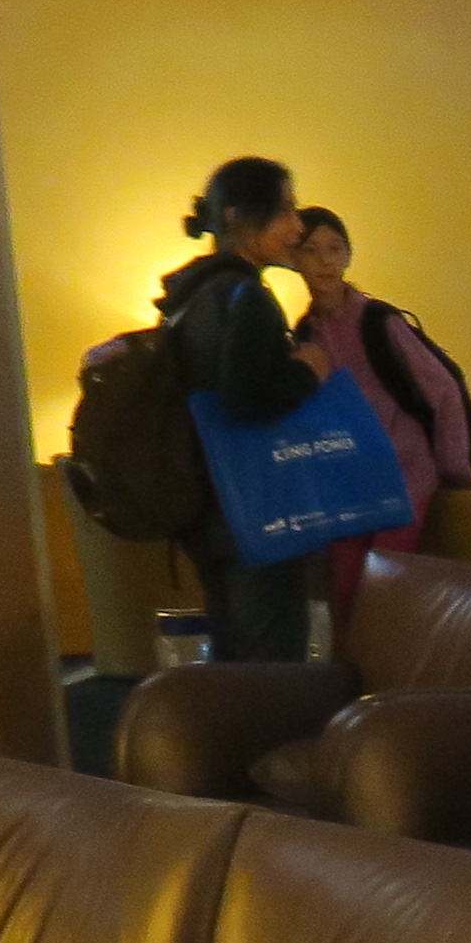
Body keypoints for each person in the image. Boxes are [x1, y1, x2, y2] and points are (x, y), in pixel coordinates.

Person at [157, 154, 324, 662]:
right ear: (237, 217)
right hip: (256, 506)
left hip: (207, 505)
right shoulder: (244, 296)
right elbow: (247, 399)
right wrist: (307, 371)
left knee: (234, 652)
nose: (298, 227)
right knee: (271, 661)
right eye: (285, 211)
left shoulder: (190, 294)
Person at [291, 205, 471, 627]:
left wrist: (456, 472)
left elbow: (443, 390)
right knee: (345, 592)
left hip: (404, 476)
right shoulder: (304, 333)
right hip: (347, 483)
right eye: (310, 250)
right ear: (295, 260)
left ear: (347, 256)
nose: (324, 261)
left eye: (334, 248)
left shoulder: (378, 321)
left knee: (388, 589)